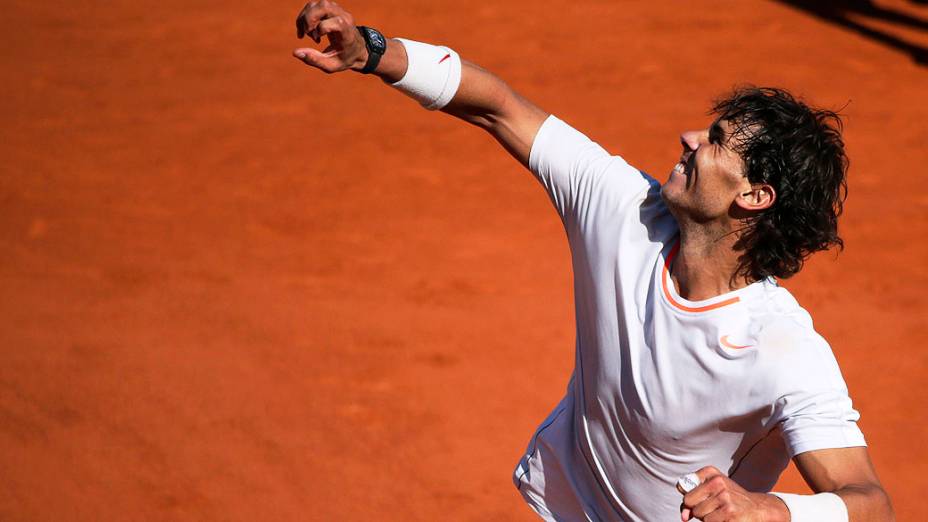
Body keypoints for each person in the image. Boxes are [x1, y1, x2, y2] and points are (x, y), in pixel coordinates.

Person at [291, 2, 895, 521]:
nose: (688, 138)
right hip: (563, 506)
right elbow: (499, 107)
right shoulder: (623, 207)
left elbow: (869, 502)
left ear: (754, 196)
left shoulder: (782, 347)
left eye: (714, 140)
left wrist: (773, 508)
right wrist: (373, 51)